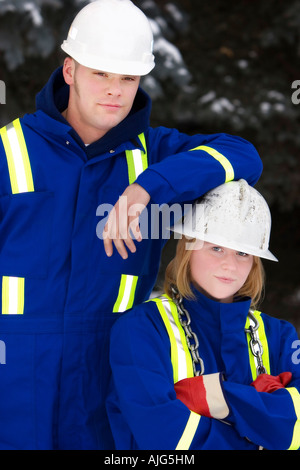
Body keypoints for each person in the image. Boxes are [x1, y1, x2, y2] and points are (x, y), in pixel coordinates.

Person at [0, 0, 263, 450]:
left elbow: (243, 155)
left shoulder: (155, 154)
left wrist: (150, 187)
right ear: (70, 71)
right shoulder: (10, 152)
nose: (114, 91)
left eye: (127, 78)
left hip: (108, 378)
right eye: (100, 73)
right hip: (14, 378)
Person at [107, 179, 300, 450]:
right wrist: (262, 415)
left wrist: (212, 397)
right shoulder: (141, 329)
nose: (229, 265)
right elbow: (163, 435)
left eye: (243, 253)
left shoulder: (279, 336)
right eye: (216, 248)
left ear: (255, 262)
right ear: (188, 247)